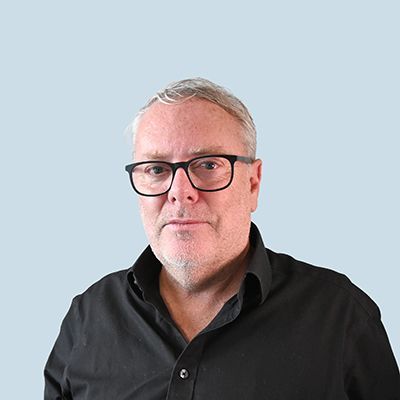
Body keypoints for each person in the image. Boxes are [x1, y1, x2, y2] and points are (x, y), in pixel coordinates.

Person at [44, 78, 400, 399]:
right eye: (156, 169)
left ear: (253, 183)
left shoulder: (341, 318)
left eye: (208, 165)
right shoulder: (88, 318)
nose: (179, 192)